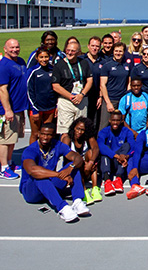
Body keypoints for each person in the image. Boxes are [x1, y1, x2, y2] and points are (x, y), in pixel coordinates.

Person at [20, 123, 90, 222]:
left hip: (50, 184)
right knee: (40, 176)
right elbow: (32, 170)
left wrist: (70, 168)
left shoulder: (57, 145)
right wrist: (60, 175)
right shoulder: (30, 150)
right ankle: (63, 208)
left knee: (74, 168)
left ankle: (78, 201)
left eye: (48, 135)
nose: (45, 137)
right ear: (39, 134)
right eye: (43, 134)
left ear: (53, 136)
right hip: (31, 192)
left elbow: (77, 158)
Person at [51, 41, 93, 135]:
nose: (69, 53)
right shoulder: (59, 65)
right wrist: (71, 96)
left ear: (78, 52)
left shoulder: (84, 63)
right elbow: (55, 86)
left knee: (80, 130)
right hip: (66, 101)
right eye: (68, 50)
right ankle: (65, 150)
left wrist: (82, 95)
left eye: (73, 51)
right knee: (65, 131)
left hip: (81, 100)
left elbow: (90, 80)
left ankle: (77, 149)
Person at [0, 39, 27, 179]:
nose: (15, 50)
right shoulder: (3, 66)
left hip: (19, 107)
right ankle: (3, 167)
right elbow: (2, 90)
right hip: (8, 110)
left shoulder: (20, 61)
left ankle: (10, 162)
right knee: (5, 139)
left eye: (17, 47)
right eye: (12, 48)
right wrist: (7, 110)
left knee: (13, 139)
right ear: (5, 49)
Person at [61, 117, 101, 205]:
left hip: (86, 169)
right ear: (73, 128)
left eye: (82, 130)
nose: (79, 132)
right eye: (78, 129)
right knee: (77, 161)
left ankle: (95, 188)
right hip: (74, 170)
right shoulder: (67, 138)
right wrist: (82, 163)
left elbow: (96, 148)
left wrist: (90, 162)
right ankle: (84, 191)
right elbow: (67, 158)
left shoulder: (87, 137)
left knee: (91, 154)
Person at [97, 110, 135, 195]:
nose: (115, 122)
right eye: (113, 120)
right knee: (105, 150)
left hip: (121, 161)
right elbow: (100, 145)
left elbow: (133, 146)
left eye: (117, 120)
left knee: (126, 145)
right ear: (109, 120)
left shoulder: (127, 131)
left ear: (121, 121)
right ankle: (107, 181)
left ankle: (119, 179)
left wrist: (126, 156)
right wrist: (116, 156)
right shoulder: (104, 131)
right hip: (109, 160)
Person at [26, 47, 57, 145]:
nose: (44, 59)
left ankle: (45, 155)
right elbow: (29, 91)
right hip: (37, 108)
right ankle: (32, 155)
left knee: (47, 133)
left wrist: (56, 106)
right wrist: (34, 109)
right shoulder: (32, 71)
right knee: (35, 134)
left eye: (46, 57)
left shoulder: (53, 70)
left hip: (50, 108)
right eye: (41, 57)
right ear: (37, 58)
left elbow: (55, 89)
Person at [99, 42, 131, 130]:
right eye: (116, 51)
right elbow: (102, 85)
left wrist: (126, 98)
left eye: (120, 51)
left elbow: (129, 83)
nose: (118, 53)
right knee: (105, 125)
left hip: (122, 100)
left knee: (121, 125)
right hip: (110, 99)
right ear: (113, 51)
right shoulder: (107, 66)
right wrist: (108, 102)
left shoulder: (127, 65)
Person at [80, 36, 104, 126]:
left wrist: (100, 96)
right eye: (93, 45)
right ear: (88, 46)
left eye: (97, 46)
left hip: (97, 97)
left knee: (95, 122)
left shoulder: (103, 61)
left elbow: (104, 81)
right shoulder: (82, 60)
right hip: (84, 96)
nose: (95, 48)